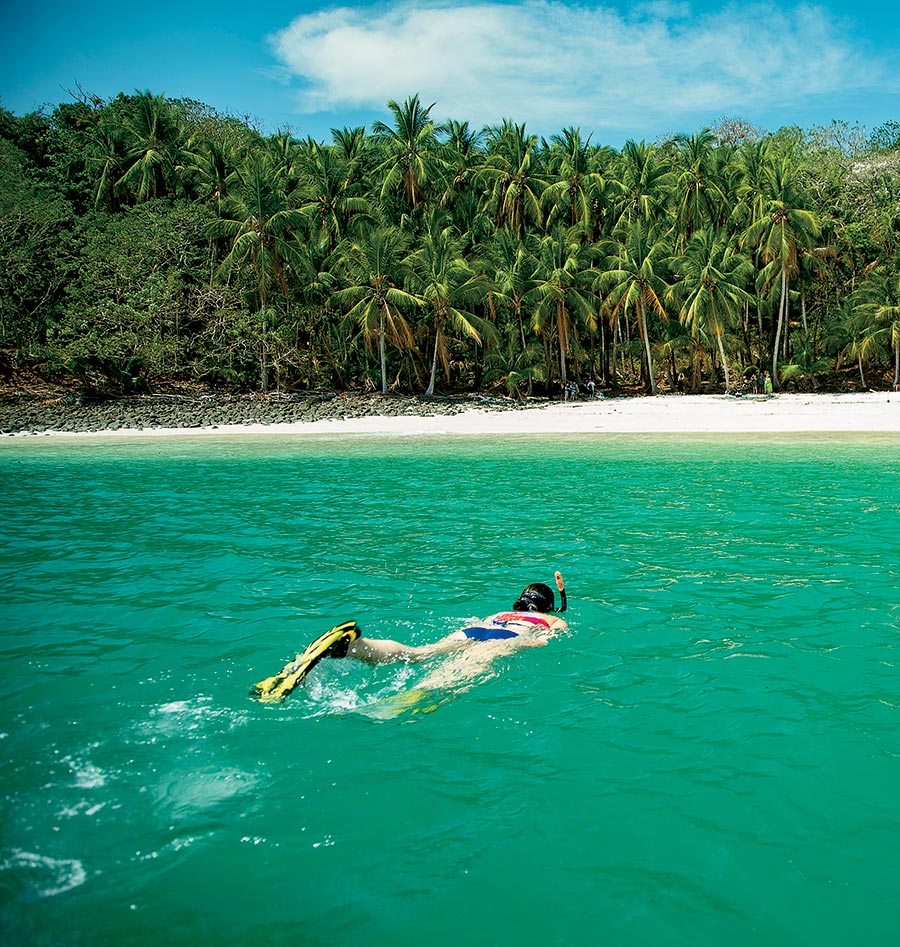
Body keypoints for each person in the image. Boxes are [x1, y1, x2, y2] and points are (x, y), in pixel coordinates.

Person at [343, 581, 568, 664]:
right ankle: (411, 699)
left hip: (474, 630)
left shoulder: (499, 613)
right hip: (505, 639)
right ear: (547, 605)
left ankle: (356, 647)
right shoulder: (552, 619)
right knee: (455, 675)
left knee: (420, 653)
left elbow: (479, 623)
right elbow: (542, 641)